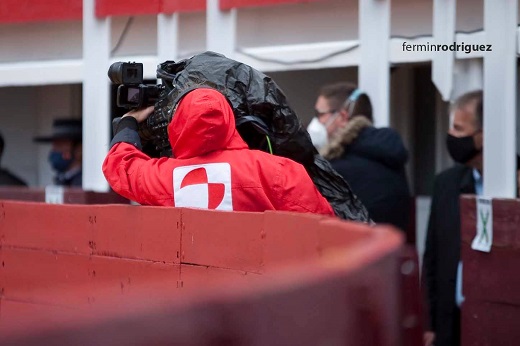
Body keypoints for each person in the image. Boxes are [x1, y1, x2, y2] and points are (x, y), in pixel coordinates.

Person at [103, 88, 335, 215]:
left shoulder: (166, 177)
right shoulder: (278, 170)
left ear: (178, 123)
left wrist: (128, 124)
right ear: (230, 119)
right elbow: (319, 224)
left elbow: (122, 168)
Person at [307, 82, 411, 231]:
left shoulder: (338, 168)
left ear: (342, 117)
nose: (316, 122)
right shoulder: (388, 152)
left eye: (320, 114)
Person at [34, 119, 83, 187]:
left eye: (60, 145)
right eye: (54, 146)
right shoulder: (60, 179)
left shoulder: (85, 182)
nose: (54, 150)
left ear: (79, 149)